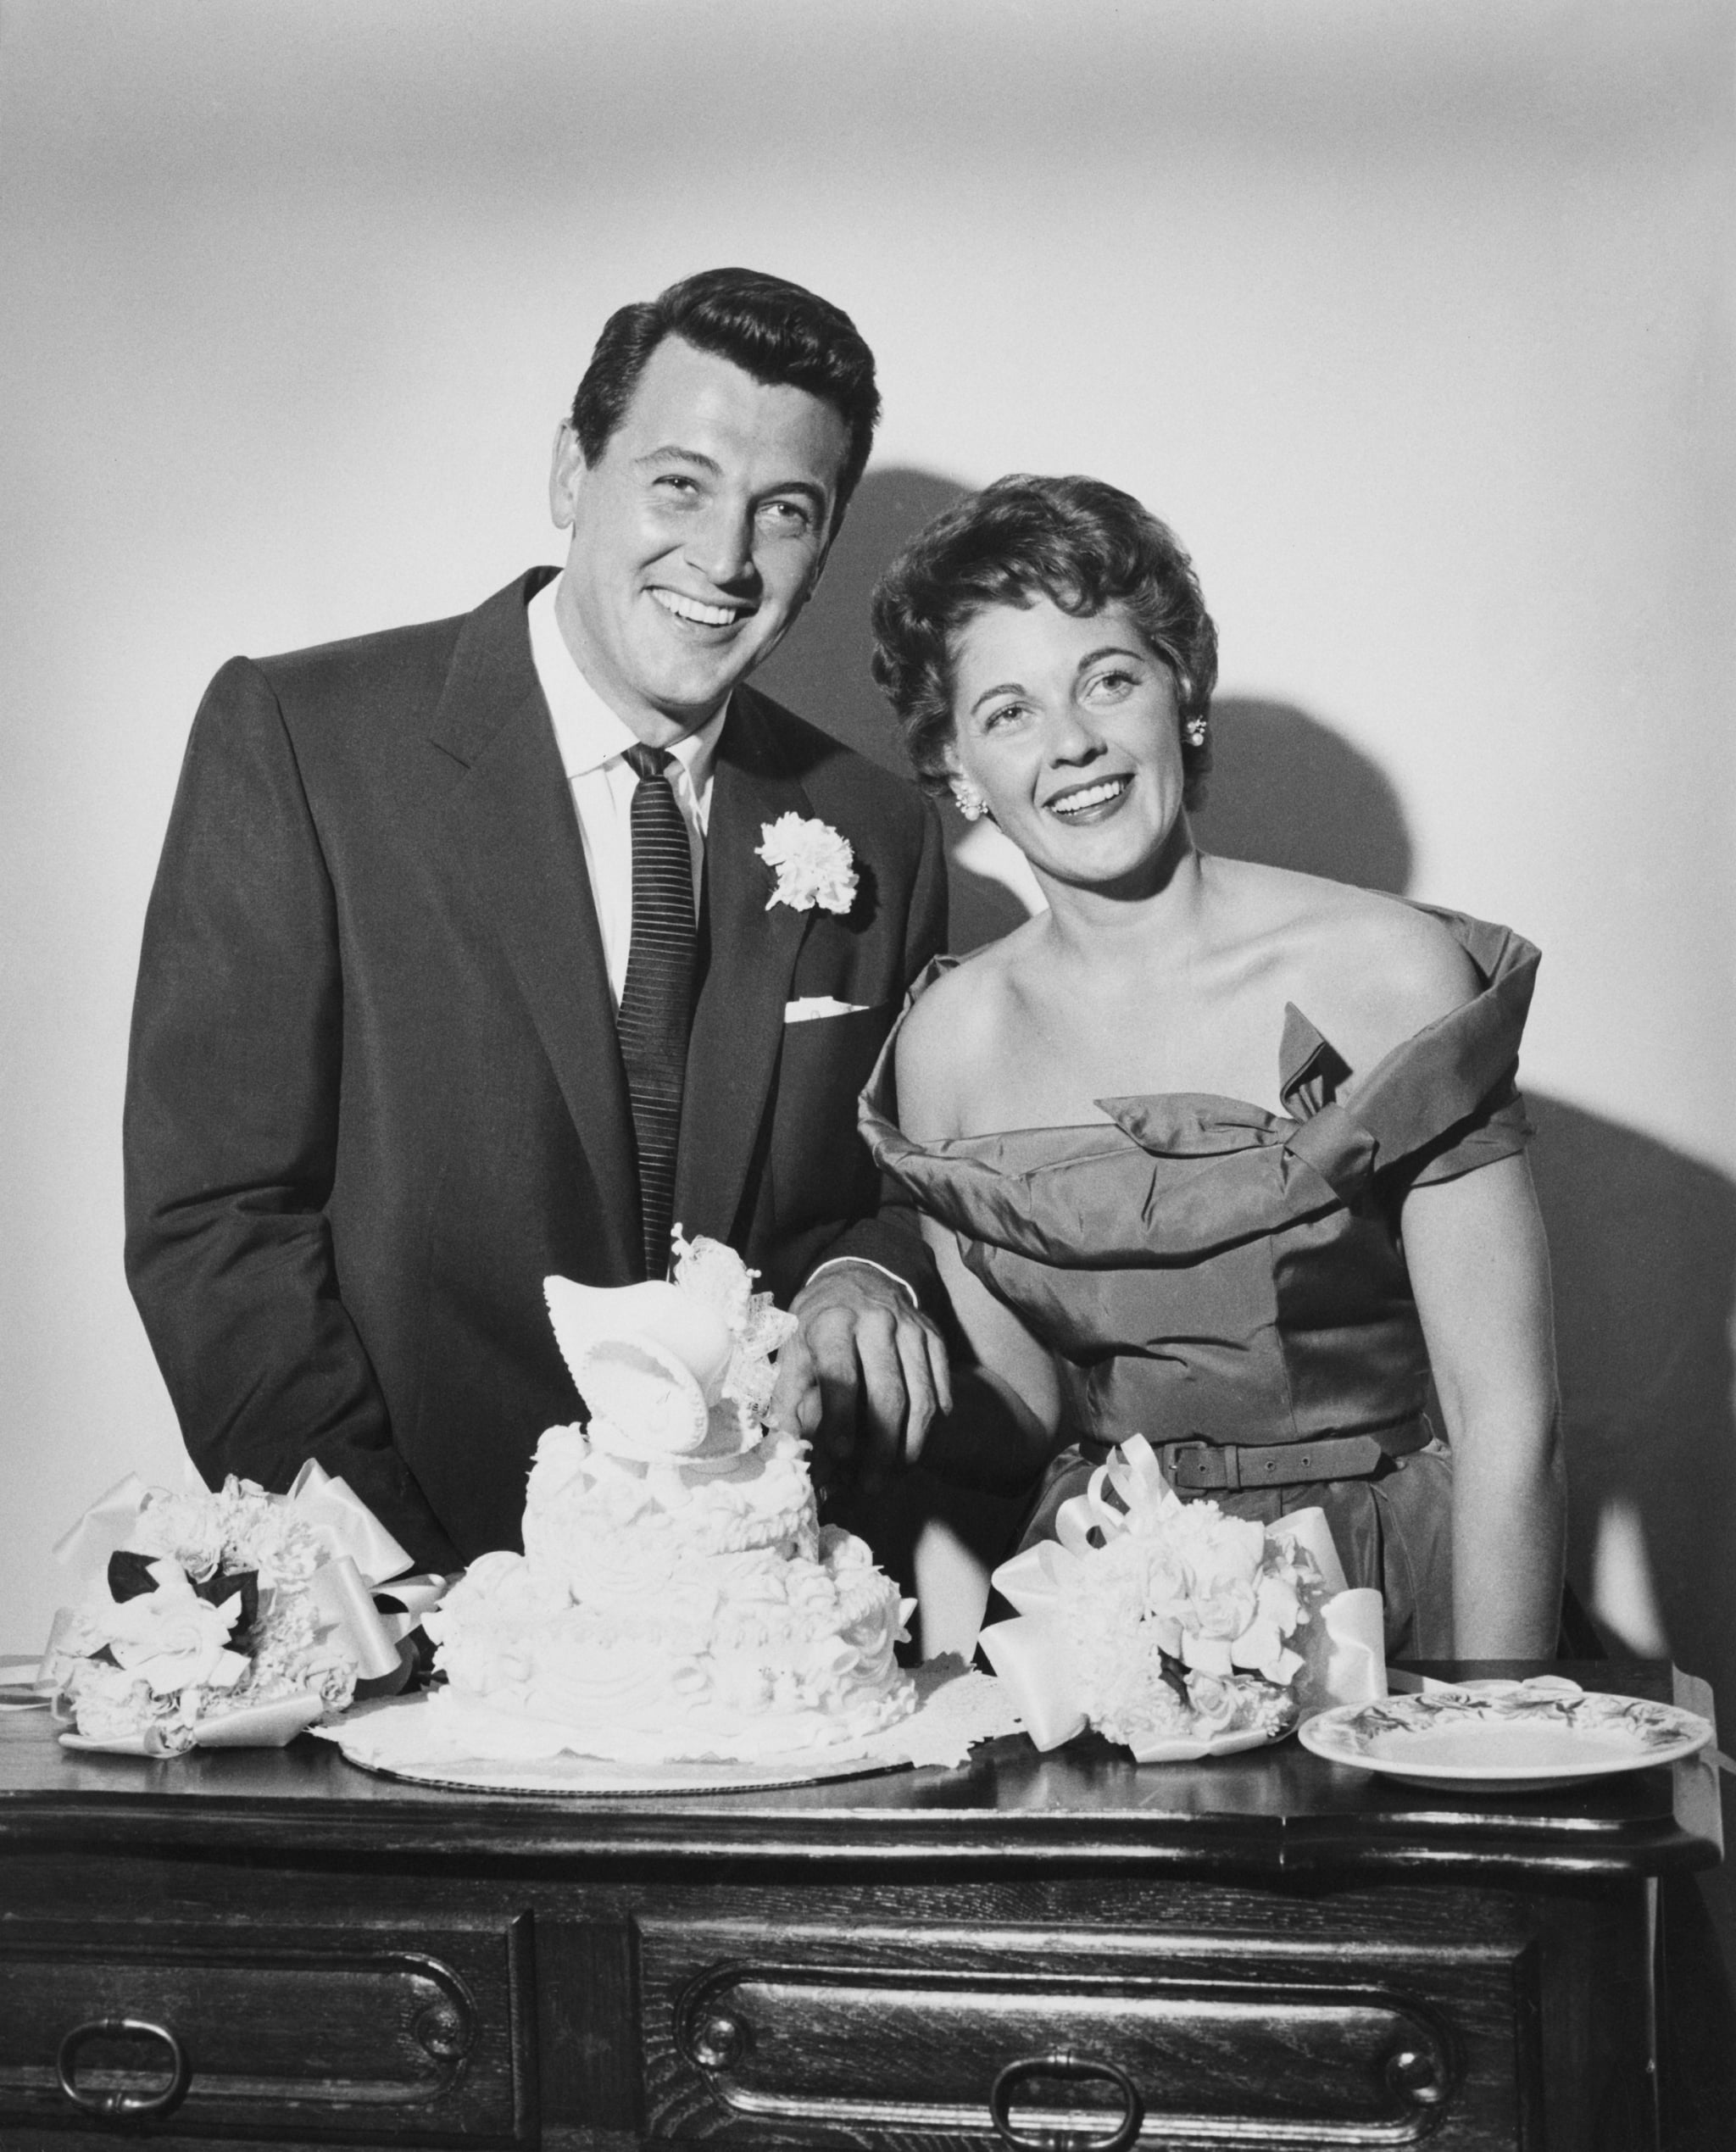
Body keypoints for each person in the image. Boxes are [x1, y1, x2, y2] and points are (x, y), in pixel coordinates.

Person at [124, 268, 951, 1576]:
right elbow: (216, 1221)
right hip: (413, 1599)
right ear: (573, 471)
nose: (724, 562)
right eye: (677, 484)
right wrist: (382, 1573)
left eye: (782, 513)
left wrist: (873, 1274)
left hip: (742, 1623)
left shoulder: (878, 830)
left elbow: (899, 1190)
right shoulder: (304, 740)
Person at [860, 474, 1566, 1657]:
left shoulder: (1386, 969)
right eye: (1009, 713)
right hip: (1101, 1604)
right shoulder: (951, 1042)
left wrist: (1489, 1734)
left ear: (1182, 696)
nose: (1074, 743)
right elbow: (1020, 1410)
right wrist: (832, 1375)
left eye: (1109, 680)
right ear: (957, 770)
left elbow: (1512, 1423)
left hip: (1390, 1596)